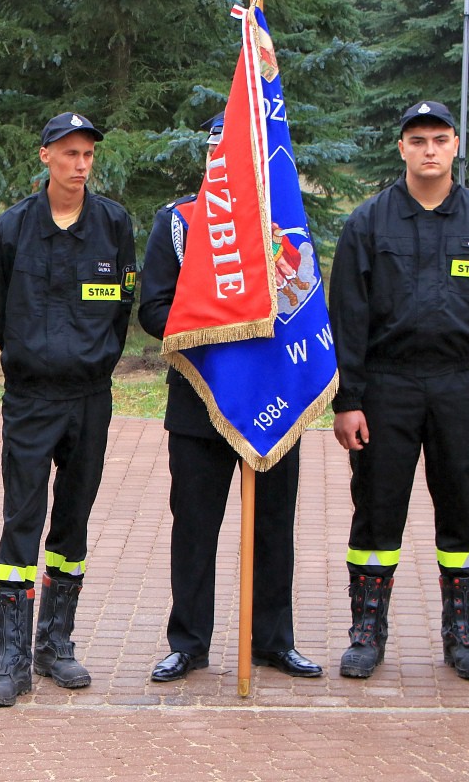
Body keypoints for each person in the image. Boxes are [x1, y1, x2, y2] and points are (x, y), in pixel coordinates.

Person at [138, 114, 322, 684]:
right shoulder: (179, 221)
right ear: (210, 155)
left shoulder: (281, 223)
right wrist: (219, 328)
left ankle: (272, 640)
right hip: (202, 401)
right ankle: (188, 643)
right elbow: (152, 309)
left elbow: (305, 299)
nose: (231, 159)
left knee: (274, 525)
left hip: (272, 397)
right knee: (194, 527)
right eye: (222, 148)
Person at [330, 100, 469, 681]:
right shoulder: (368, 223)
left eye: (439, 139)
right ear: (401, 147)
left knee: (463, 511)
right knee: (376, 510)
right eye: (417, 139)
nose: (429, 149)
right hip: (387, 386)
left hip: (464, 385)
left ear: (455, 145)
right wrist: (348, 399)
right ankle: (367, 634)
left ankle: (463, 633)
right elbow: (347, 316)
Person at [0, 113, 136, 707]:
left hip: (90, 397)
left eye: (88, 154)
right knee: (21, 517)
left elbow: (120, 302)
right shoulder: (14, 227)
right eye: (69, 153)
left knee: (73, 518)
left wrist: (93, 358)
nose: (80, 163)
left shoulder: (113, 224)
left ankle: (55, 645)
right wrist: (32, 358)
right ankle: (10, 659)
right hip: (31, 397)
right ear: (44, 155)